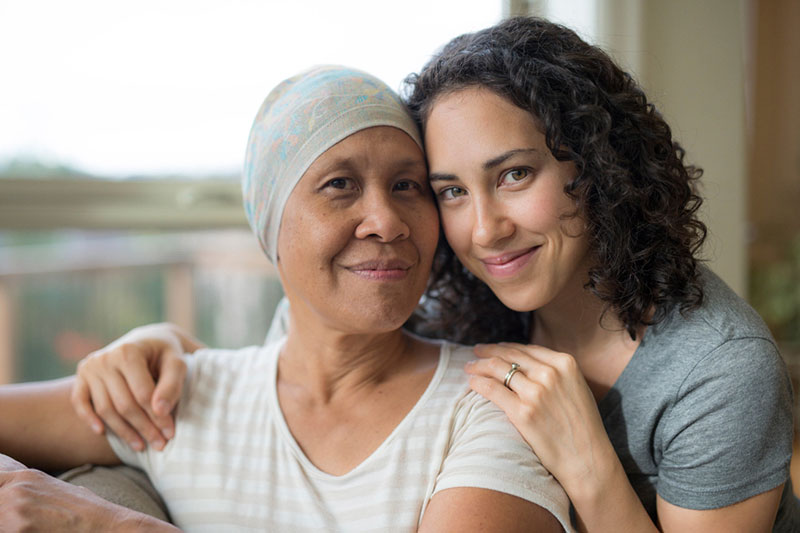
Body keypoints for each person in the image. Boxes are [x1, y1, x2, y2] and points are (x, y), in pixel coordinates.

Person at [72, 17, 799, 532]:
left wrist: (590, 466)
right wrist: (162, 343)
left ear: (598, 167)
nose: (484, 229)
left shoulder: (716, 370)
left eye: (514, 174)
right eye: (450, 189)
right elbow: (297, 374)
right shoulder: (455, 302)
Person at [0, 65, 574, 532]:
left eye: (408, 186)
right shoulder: (173, 400)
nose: (386, 221)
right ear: (271, 229)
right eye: (339, 185)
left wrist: (113, 527)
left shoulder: (494, 400)